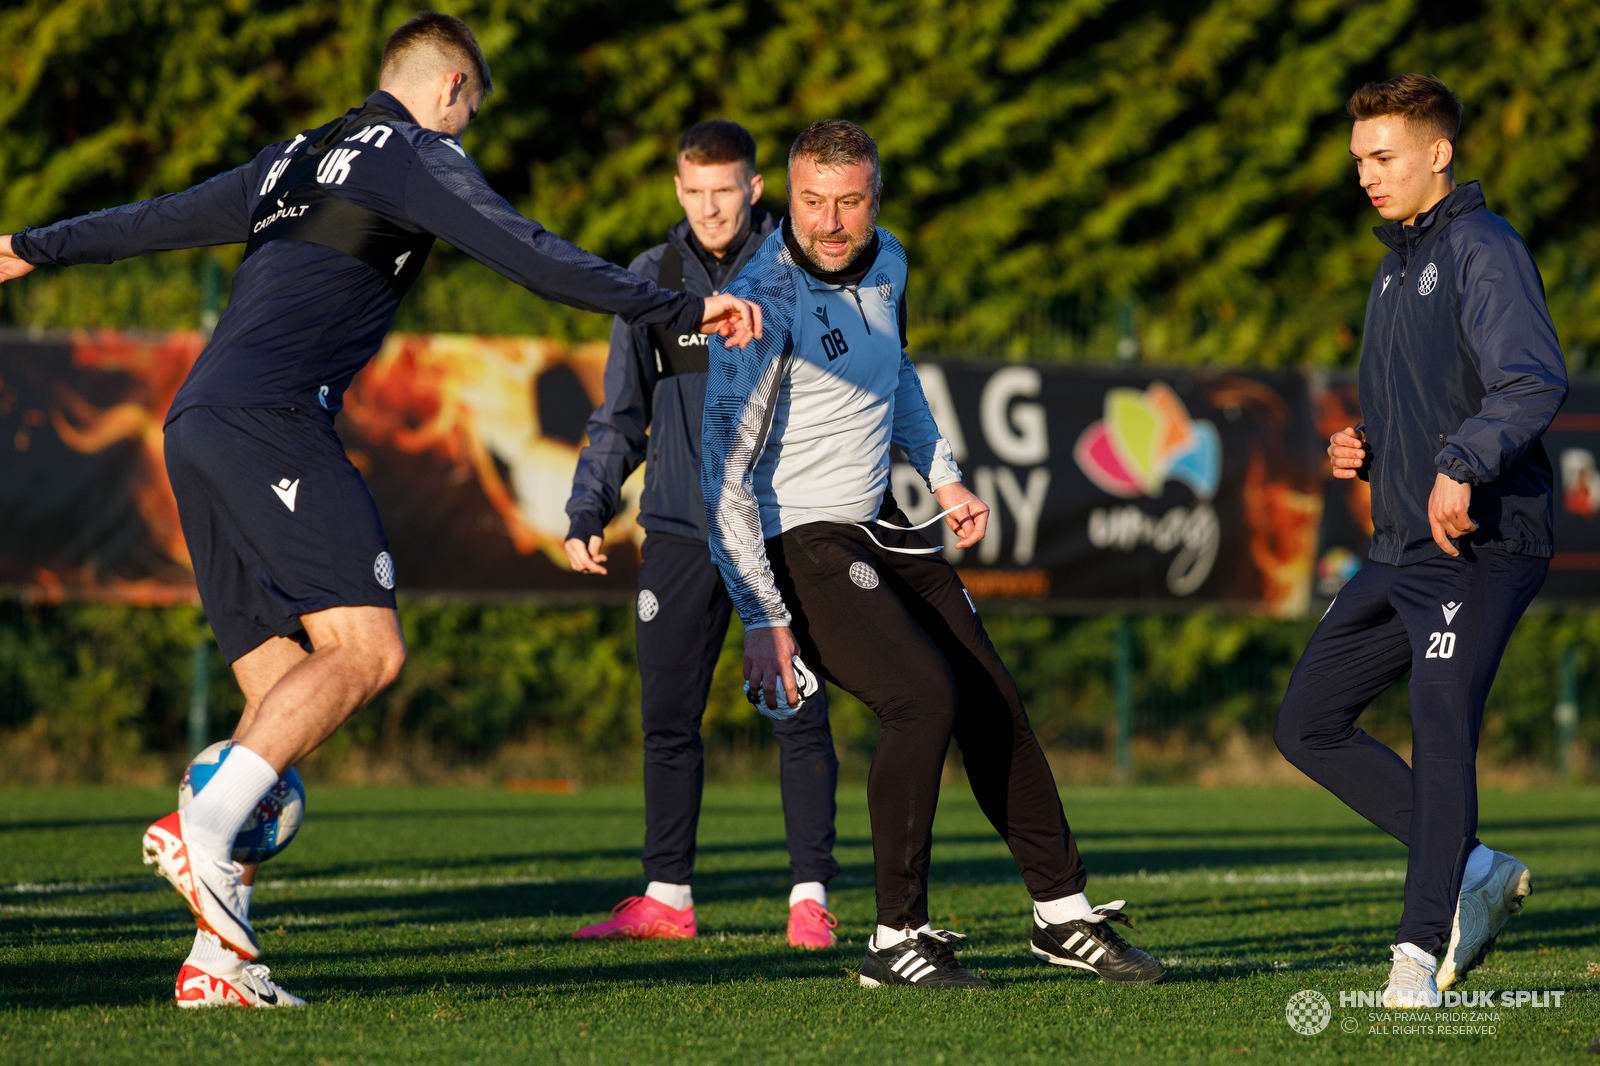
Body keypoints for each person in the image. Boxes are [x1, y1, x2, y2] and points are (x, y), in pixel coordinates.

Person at [0, 12, 760, 1008]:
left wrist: (28, 246)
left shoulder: (293, 159)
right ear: (449, 87)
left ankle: (218, 962)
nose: (467, 136)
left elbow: (158, 217)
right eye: (471, 114)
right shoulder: (413, 153)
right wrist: (677, 304)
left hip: (196, 424)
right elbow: (527, 252)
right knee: (368, 651)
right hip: (274, 422)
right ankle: (197, 830)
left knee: (280, 691)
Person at [701, 119, 1165, 990]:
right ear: (788, 199)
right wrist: (763, 615)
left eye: (849, 201)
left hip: (883, 520)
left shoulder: (891, 261)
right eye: (811, 203)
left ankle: (1062, 916)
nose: (830, 222)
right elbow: (719, 476)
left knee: (991, 696)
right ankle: (894, 939)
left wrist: (944, 478)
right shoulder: (763, 307)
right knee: (923, 697)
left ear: (875, 197)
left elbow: (897, 372)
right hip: (798, 537)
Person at [1274, 75, 1566, 1009]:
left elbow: (1529, 383)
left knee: (1440, 729)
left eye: (1383, 156)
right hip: (1401, 546)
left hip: (1481, 542)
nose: (1366, 174)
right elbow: (1424, 399)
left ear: (1438, 154)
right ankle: (1473, 864)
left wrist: (1460, 462)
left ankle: (1416, 951)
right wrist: (1362, 444)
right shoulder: (1393, 266)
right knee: (1307, 721)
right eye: (1359, 158)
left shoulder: (1484, 248)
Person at [563, 120, 841, 948]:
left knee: (798, 711)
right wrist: (589, 509)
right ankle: (667, 897)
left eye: (725, 189)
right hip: (680, 535)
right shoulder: (653, 281)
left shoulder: (800, 273)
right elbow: (620, 415)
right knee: (668, 719)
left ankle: (809, 898)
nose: (709, 206)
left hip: (780, 535)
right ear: (677, 190)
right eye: (694, 191)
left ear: (754, 188)